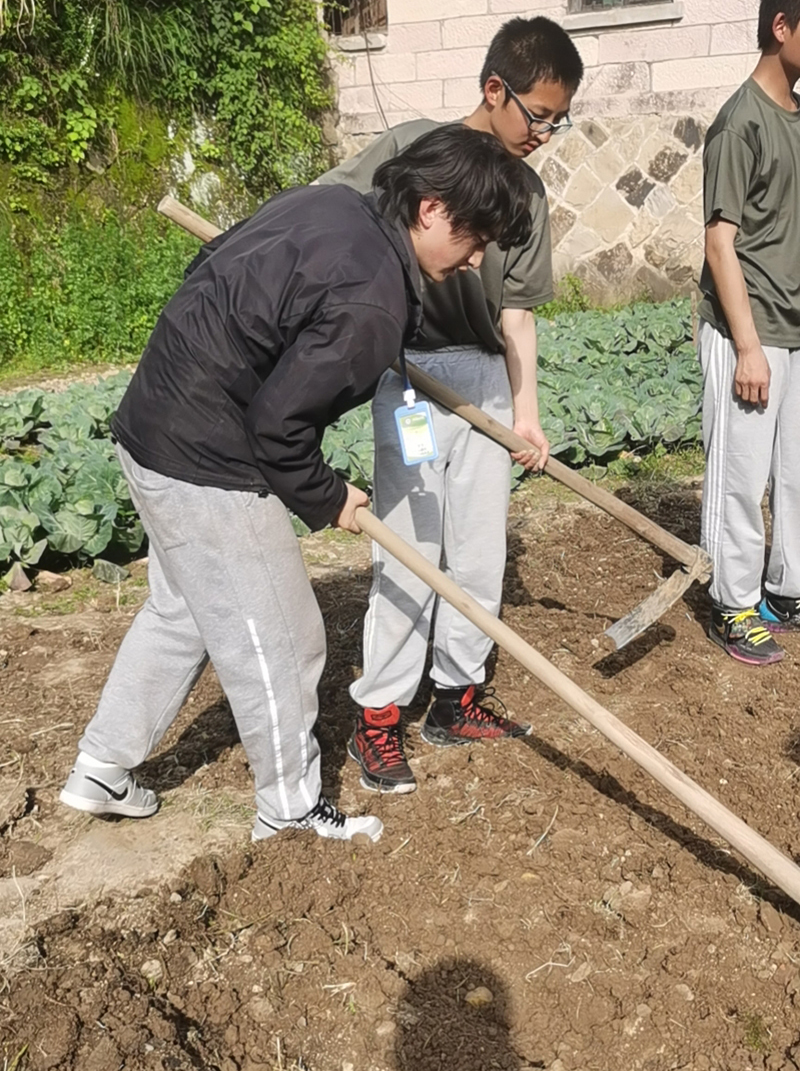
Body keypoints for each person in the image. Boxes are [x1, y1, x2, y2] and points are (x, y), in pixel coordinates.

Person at [59, 125, 534, 843]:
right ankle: (290, 810)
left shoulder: (331, 205)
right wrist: (330, 495)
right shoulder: (375, 302)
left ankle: (101, 766)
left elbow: (209, 264)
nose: (475, 262)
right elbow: (278, 427)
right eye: (475, 241)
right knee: (287, 639)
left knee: (185, 610)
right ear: (432, 208)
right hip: (206, 455)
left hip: (153, 419)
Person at [316, 16, 584, 794]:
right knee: (410, 547)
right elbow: (329, 209)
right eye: (539, 115)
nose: (544, 134)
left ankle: (456, 699)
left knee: (477, 551)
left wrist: (525, 412)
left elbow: (518, 314)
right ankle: (378, 717)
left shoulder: (527, 192)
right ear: (495, 90)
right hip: (412, 380)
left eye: (558, 122)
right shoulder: (414, 149)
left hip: (485, 382)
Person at [698, 0, 800, 666]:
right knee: (741, 475)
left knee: (794, 472)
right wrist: (748, 346)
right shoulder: (739, 124)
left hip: (795, 327)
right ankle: (732, 602)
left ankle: (785, 589)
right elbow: (719, 241)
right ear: (782, 27)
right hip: (751, 329)